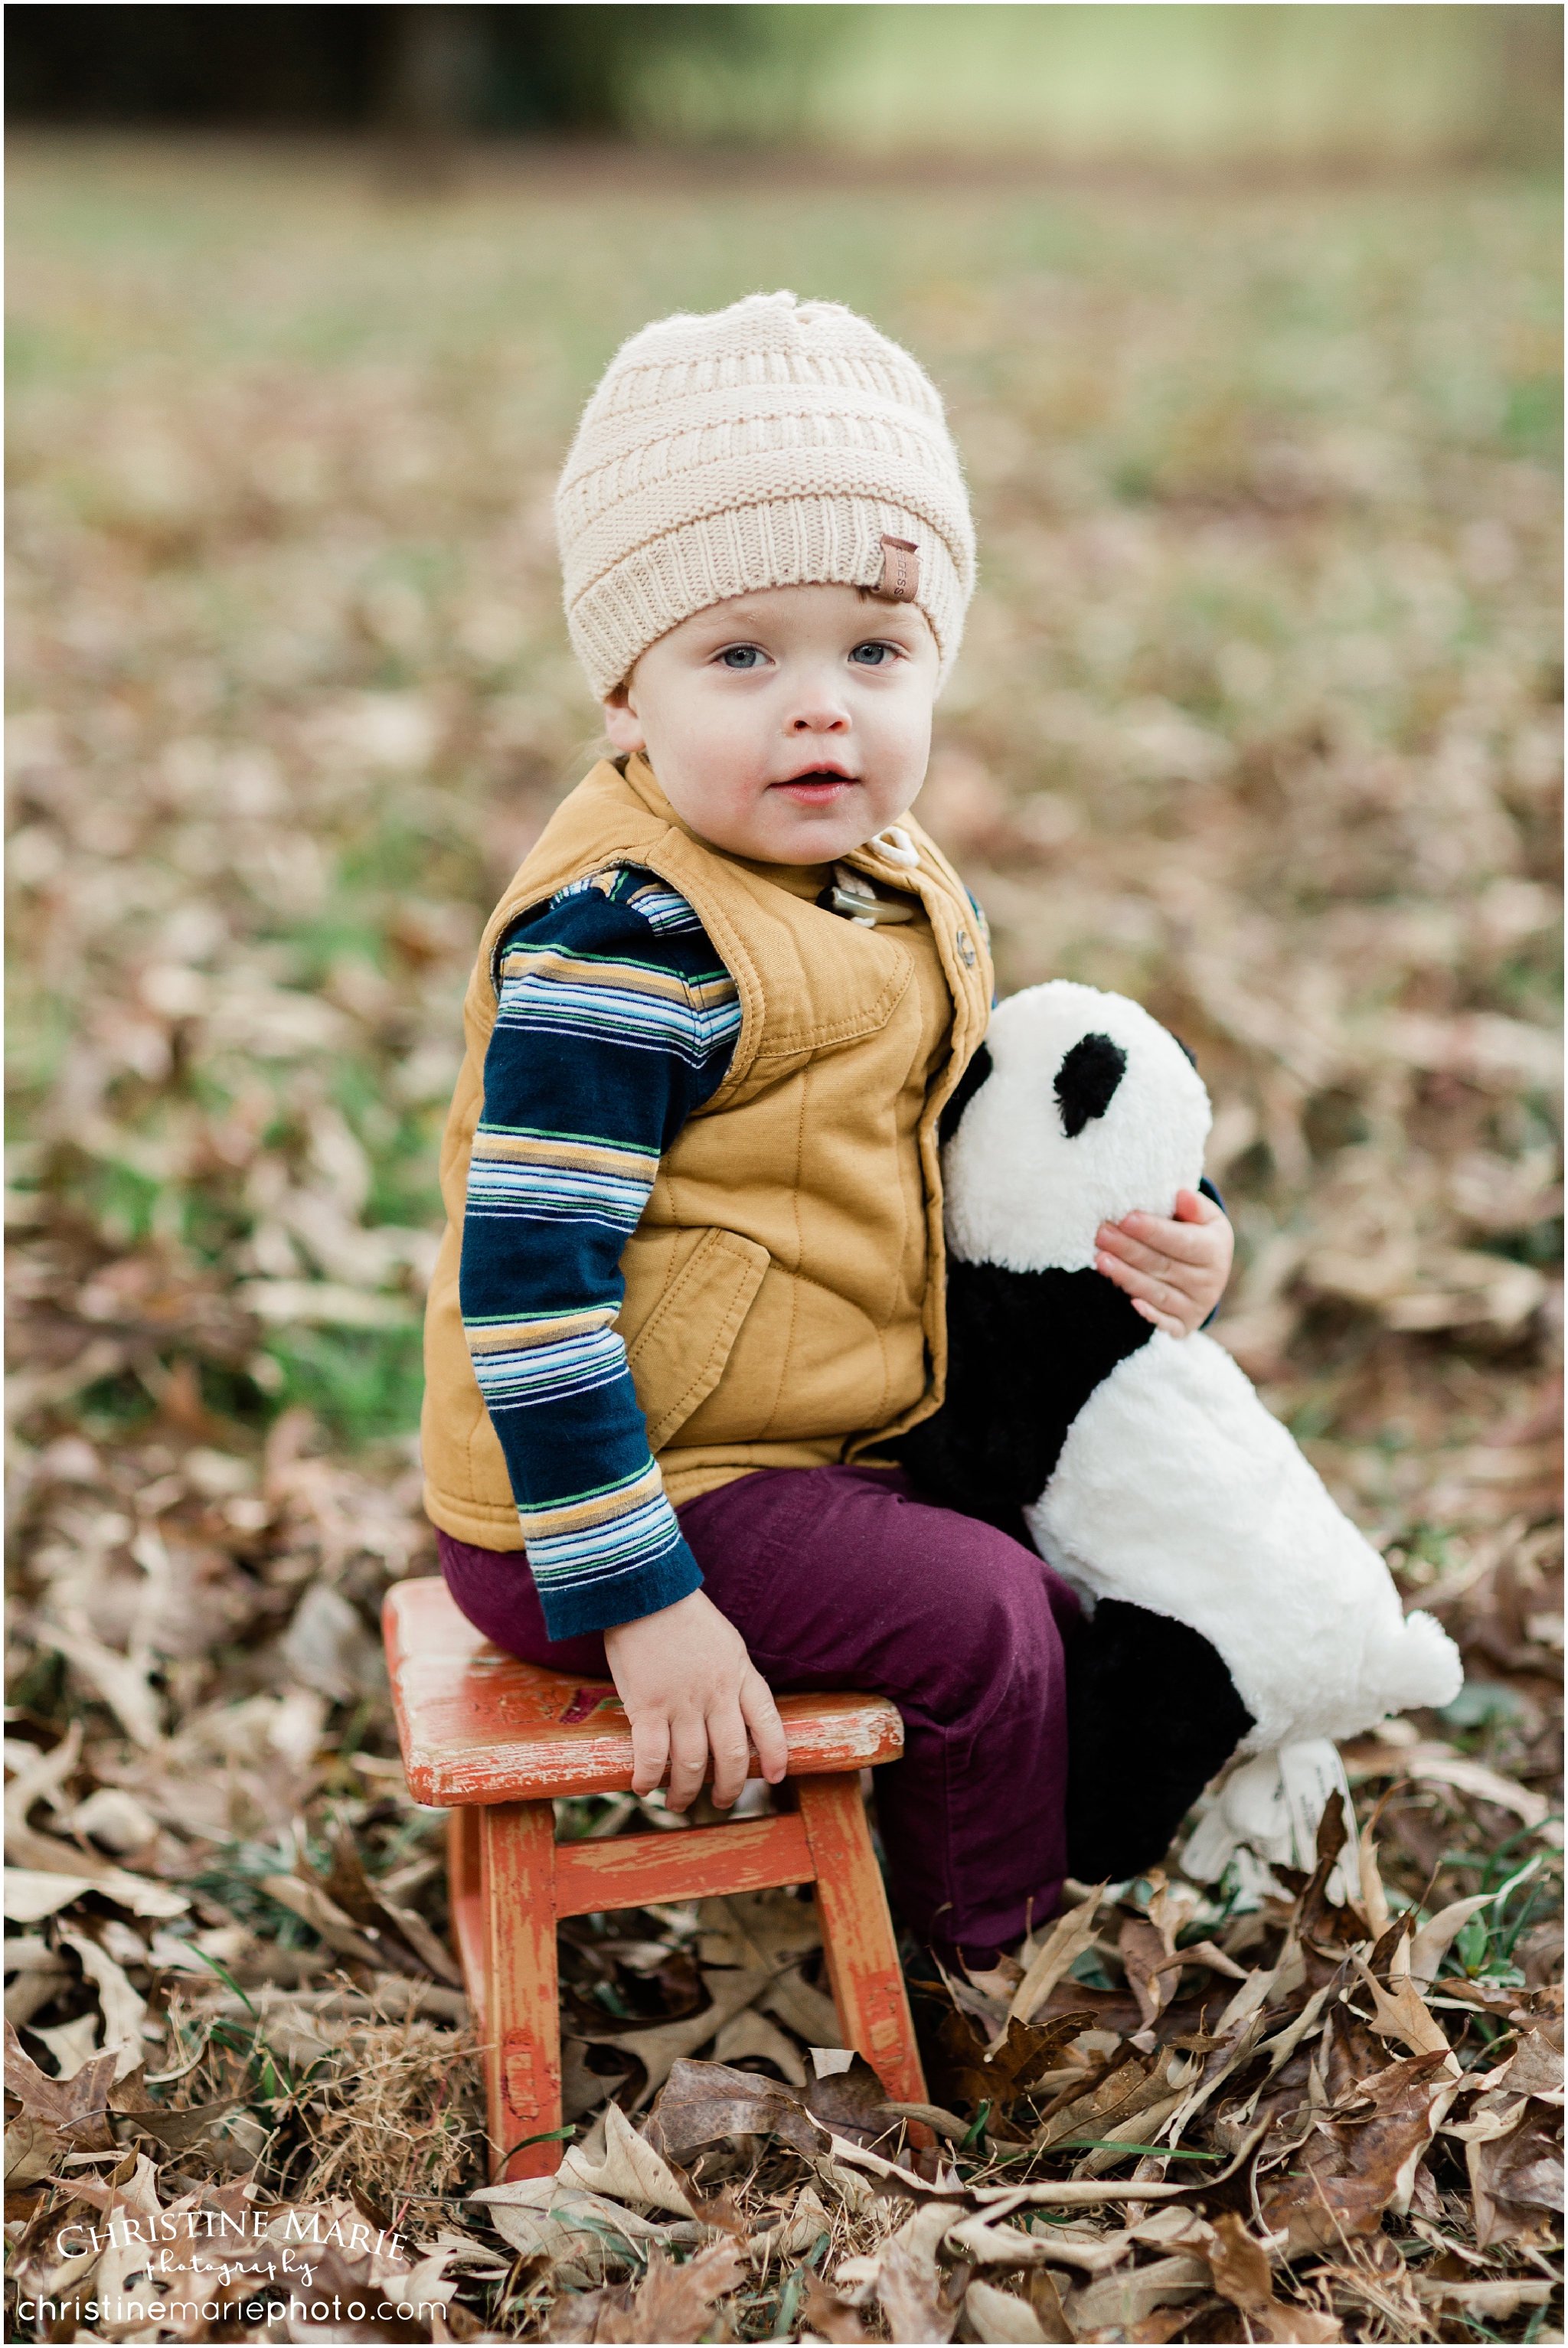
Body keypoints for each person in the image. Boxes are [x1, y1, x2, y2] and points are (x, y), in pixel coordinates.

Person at [421, 292, 1232, 1968]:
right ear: (624, 696)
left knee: (1113, 1532)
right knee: (985, 1618)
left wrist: (1163, 1229)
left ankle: (1097, 1812)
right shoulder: (629, 937)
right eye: (742, 655)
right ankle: (983, 1968)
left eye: (874, 651)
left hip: (814, 1414)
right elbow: (529, 1290)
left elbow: (939, 1135)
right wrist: (642, 1605)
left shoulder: (879, 874)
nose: (822, 710)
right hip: (631, 1488)